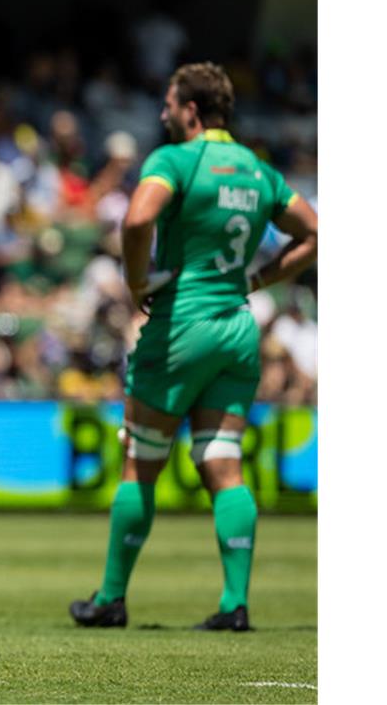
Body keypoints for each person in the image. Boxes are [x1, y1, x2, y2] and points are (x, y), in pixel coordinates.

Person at [68, 62, 317, 631]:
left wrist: (136, 283)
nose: (162, 114)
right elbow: (315, 234)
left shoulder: (175, 160)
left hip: (182, 325)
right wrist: (256, 281)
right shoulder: (259, 171)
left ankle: (111, 598)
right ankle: (235, 604)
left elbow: (137, 220)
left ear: (191, 111)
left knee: (141, 461)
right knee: (223, 465)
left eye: (168, 104)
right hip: (237, 325)